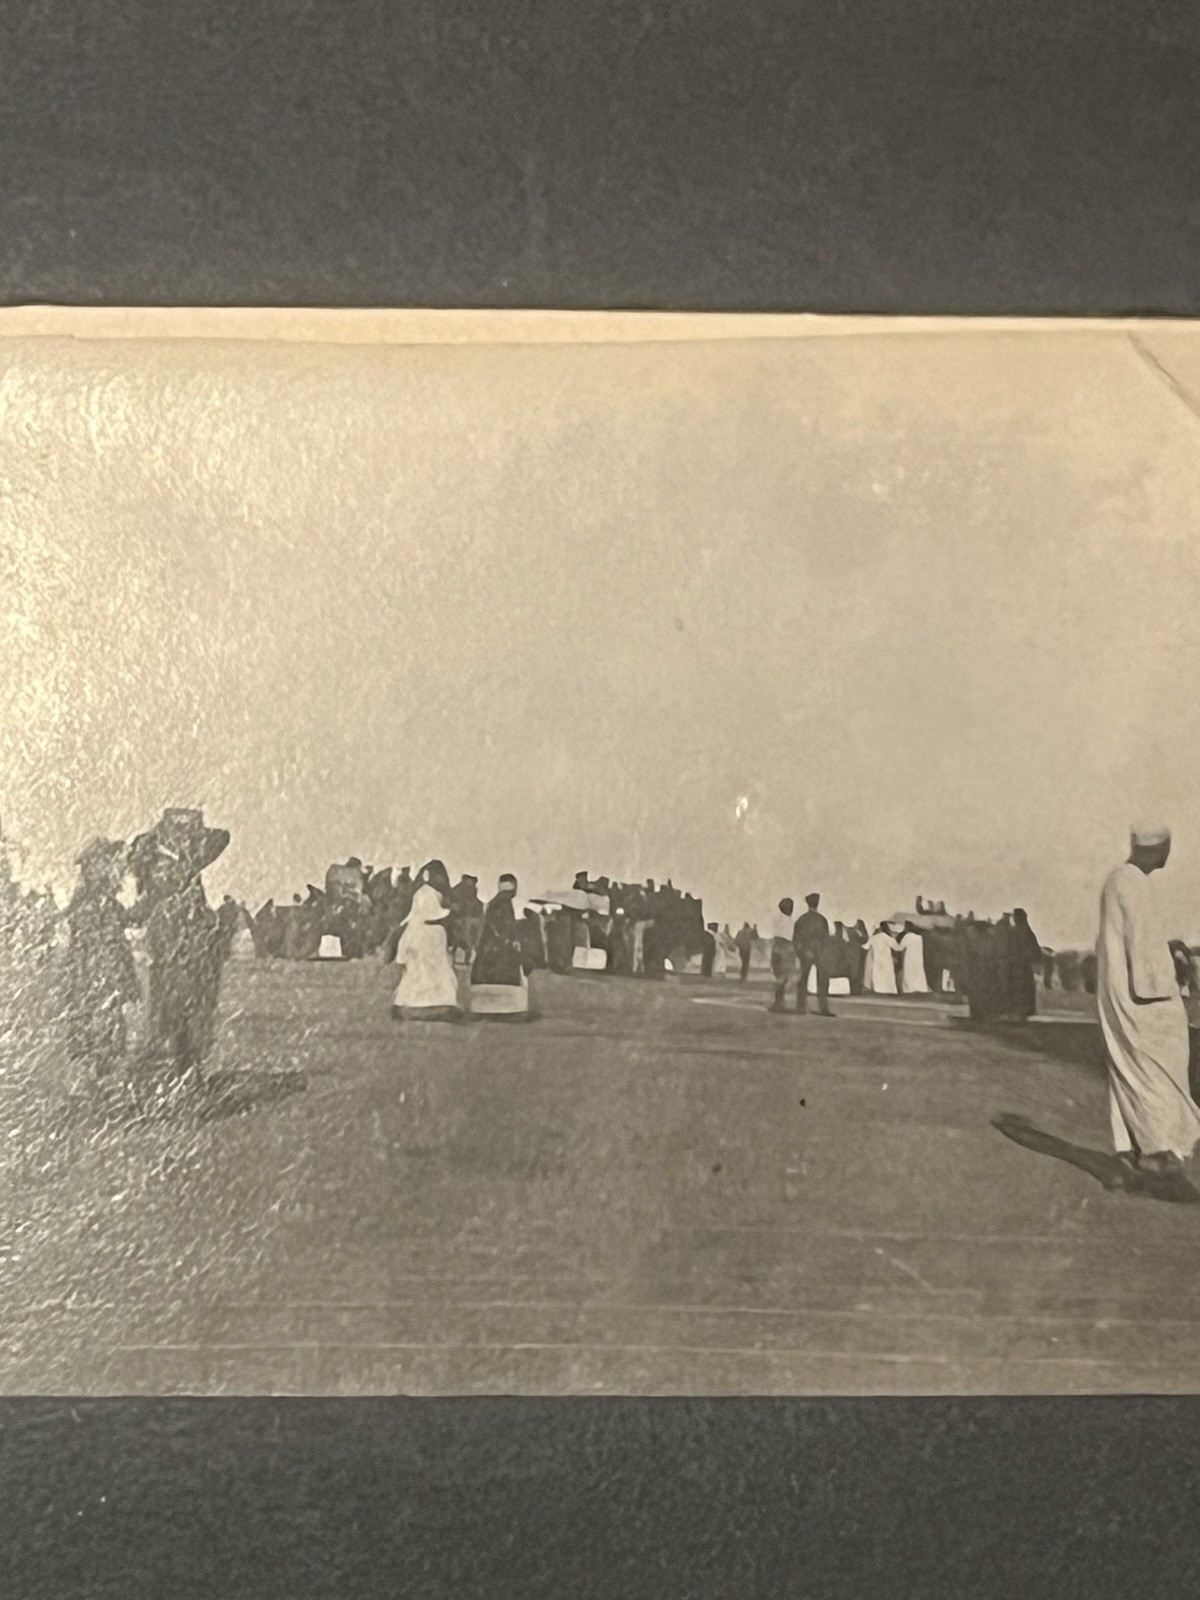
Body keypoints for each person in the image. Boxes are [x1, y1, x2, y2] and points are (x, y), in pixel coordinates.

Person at [1097, 825, 1200, 1170]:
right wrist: (1168, 995)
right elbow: (1144, 955)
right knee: (1158, 1071)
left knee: (1129, 1068)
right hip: (1142, 999)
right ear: (1161, 847)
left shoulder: (1120, 880)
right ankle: (1158, 1150)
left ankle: (1130, 1149)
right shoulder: (1131, 882)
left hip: (1123, 994)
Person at [129, 809, 230, 1080]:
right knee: (177, 1011)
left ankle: (186, 1067)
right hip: (174, 950)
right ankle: (180, 1068)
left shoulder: (185, 862)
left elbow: (222, 838)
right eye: (182, 835)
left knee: (188, 1010)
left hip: (189, 950)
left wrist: (192, 836)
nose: (186, 841)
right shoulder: (164, 866)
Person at [63, 838, 139, 1068]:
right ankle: (94, 1066)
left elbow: (119, 945)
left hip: (104, 977)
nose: (107, 867)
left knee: (108, 1029)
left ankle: (102, 1066)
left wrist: (127, 979)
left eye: (106, 862)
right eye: (101, 862)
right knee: (93, 1029)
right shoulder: (86, 905)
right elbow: (91, 946)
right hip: (92, 976)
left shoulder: (109, 904)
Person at [392, 860, 461, 1021]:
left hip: (410, 998)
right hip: (441, 998)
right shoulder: (440, 930)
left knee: (413, 978)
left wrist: (403, 960)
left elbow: (402, 954)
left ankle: (414, 1006)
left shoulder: (412, 926)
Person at [470, 874, 534, 1021]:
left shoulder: (492, 903)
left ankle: (486, 1008)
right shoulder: (505, 903)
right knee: (504, 975)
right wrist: (511, 941)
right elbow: (504, 926)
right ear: (513, 888)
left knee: (486, 976)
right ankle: (504, 1009)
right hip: (502, 948)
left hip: (488, 948)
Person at [793, 893, 833, 1016]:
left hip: (806, 954)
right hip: (821, 954)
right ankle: (823, 1008)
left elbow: (796, 939)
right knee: (823, 981)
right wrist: (823, 952)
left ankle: (800, 1007)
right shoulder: (822, 919)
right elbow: (826, 938)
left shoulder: (802, 919)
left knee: (803, 980)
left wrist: (802, 952)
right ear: (817, 903)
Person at [768, 898, 797, 1013]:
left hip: (779, 948)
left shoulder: (780, 919)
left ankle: (779, 1001)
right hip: (784, 948)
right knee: (783, 976)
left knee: (781, 976)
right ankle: (778, 1002)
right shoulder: (787, 920)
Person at [865, 924, 900, 994]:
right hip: (886, 960)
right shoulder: (887, 937)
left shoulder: (873, 938)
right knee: (888, 975)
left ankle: (879, 990)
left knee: (878, 976)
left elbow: (865, 946)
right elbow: (897, 947)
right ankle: (890, 991)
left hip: (877, 960)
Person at [898, 922, 929, 995]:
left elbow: (900, 947)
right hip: (918, 957)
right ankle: (920, 988)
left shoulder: (907, 936)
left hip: (909, 957)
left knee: (909, 973)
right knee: (918, 972)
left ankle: (909, 989)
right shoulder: (919, 937)